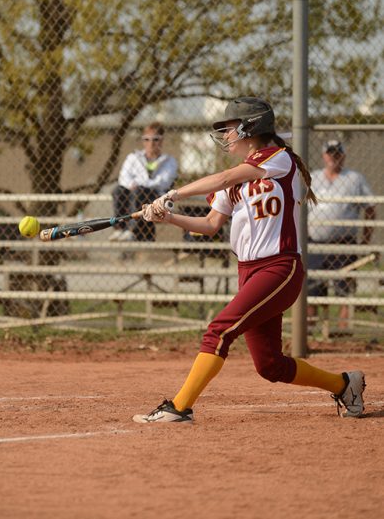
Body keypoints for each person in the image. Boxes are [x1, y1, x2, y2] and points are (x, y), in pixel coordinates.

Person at [133, 97, 366, 424]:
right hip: (249, 271)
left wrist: (173, 194)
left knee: (219, 331)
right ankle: (345, 385)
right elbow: (210, 225)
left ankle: (179, 406)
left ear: (250, 127)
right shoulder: (236, 180)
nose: (226, 136)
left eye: (230, 129)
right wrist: (169, 218)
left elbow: (225, 179)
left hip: (279, 268)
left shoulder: (278, 159)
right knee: (270, 366)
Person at [306, 139, 375, 336]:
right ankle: (309, 333)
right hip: (315, 244)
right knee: (311, 290)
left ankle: (342, 335)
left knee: (344, 290)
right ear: (323, 155)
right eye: (330, 153)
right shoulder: (313, 177)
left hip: (343, 243)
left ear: (343, 156)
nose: (333, 157)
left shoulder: (354, 178)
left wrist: (365, 241)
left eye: (337, 153)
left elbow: (370, 209)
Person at [109, 122, 178, 243]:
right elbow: (123, 177)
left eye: (155, 139)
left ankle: (132, 231)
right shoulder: (133, 157)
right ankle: (119, 228)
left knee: (139, 191)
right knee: (118, 190)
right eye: (147, 139)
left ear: (161, 141)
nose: (151, 143)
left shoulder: (169, 161)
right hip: (133, 193)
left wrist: (138, 184)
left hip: (156, 195)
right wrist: (132, 185)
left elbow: (163, 183)